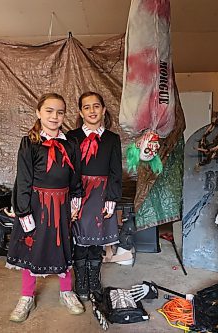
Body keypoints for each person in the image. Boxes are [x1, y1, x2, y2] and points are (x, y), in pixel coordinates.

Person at [6, 93, 85, 323]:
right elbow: (23, 179)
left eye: (60, 112)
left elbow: (75, 177)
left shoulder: (70, 144)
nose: (54, 116)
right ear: (38, 113)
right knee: (31, 247)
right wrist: (23, 211)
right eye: (49, 111)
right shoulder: (29, 142)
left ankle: (66, 291)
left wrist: (75, 201)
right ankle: (26, 296)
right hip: (37, 205)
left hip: (61, 206)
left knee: (63, 246)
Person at [67, 92, 122, 300]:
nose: (92, 110)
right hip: (79, 193)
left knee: (96, 241)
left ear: (103, 110)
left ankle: (94, 279)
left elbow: (116, 170)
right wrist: (73, 195)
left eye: (96, 106)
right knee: (80, 240)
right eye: (87, 107)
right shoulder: (71, 137)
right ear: (81, 112)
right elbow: (68, 168)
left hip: (101, 194)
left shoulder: (112, 139)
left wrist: (112, 198)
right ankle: (81, 280)